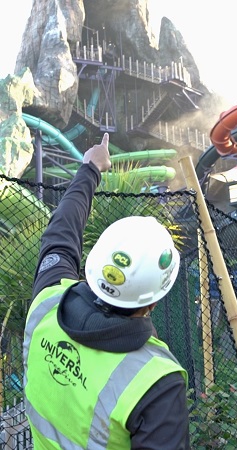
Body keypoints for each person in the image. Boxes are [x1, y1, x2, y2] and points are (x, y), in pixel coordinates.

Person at [23, 133, 190, 449]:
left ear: (94, 262)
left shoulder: (47, 300)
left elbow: (59, 234)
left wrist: (90, 168)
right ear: (154, 298)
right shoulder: (156, 380)